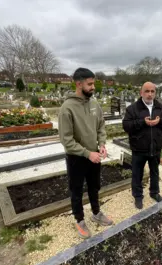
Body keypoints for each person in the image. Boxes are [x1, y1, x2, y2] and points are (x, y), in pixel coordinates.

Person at [58, 67, 113, 239]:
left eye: (93, 83)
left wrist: (102, 144)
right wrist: (87, 153)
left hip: (94, 155)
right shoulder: (67, 108)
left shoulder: (94, 104)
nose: (93, 87)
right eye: (89, 84)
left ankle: (96, 213)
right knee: (76, 189)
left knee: (94, 186)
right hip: (77, 158)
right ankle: (79, 220)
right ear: (78, 83)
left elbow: (101, 126)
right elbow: (66, 140)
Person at [122, 82, 162, 209]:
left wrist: (160, 121)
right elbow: (126, 126)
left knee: (154, 172)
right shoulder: (133, 108)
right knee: (137, 173)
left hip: (155, 147)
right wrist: (142, 122)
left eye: (152, 91)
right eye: (147, 91)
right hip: (139, 148)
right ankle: (138, 196)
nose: (150, 94)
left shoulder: (160, 107)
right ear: (141, 93)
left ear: (155, 93)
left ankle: (154, 193)